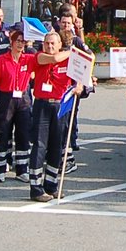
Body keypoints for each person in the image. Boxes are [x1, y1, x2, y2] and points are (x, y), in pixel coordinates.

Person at [27, 30, 84, 201]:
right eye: (47, 43)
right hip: (42, 104)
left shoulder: (70, 59)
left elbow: (80, 75)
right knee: (39, 145)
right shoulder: (39, 57)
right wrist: (74, 51)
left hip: (60, 105)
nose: (50, 46)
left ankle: (51, 185)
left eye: (53, 43)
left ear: (60, 45)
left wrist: (79, 86)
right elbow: (54, 59)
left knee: (56, 146)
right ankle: (35, 188)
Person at [0, 24, 33, 184]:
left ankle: (22, 170)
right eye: (18, 41)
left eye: (23, 41)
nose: (21, 44)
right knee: (3, 134)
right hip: (6, 99)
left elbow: (45, 59)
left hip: (23, 99)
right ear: (12, 42)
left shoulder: (29, 59)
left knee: (23, 135)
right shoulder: (2, 59)